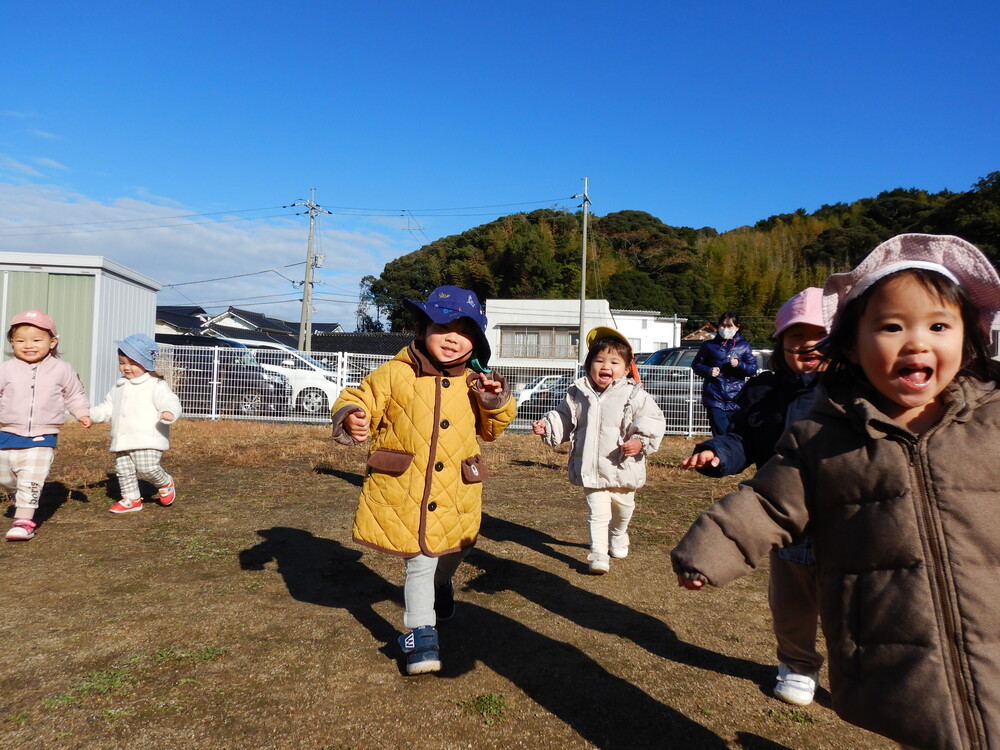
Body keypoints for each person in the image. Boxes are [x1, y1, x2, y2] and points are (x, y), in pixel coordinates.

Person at [671, 234, 1000, 749]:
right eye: (891, 327)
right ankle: (797, 664)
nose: (917, 342)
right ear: (851, 345)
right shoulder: (824, 430)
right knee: (918, 713)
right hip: (892, 617)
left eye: (938, 326)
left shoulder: (992, 421)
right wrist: (710, 550)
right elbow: (769, 500)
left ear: (969, 338)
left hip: (987, 620)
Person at [330, 286, 516, 676]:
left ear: (477, 342)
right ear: (421, 327)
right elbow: (358, 395)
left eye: (464, 330)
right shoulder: (395, 372)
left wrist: (494, 403)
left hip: (458, 488)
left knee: (457, 546)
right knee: (419, 559)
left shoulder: (475, 381)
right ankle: (421, 633)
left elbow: (492, 430)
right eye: (442, 325)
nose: (452, 337)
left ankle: (443, 582)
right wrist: (352, 414)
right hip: (407, 486)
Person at [680, 288, 827, 706]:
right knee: (792, 603)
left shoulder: (855, 388)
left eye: (819, 333)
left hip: (846, 516)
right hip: (781, 513)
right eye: (795, 335)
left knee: (854, 606)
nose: (807, 343)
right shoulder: (763, 389)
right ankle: (797, 666)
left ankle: (864, 674)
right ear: (781, 341)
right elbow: (742, 438)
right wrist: (717, 452)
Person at [532, 327, 665, 574]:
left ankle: (619, 534)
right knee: (597, 513)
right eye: (599, 360)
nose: (606, 366)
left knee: (624, 509)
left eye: (615, 362)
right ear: (589, 365)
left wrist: (639, 441)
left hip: (623, 467)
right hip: (591, 467)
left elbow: (652, 419)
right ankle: (599, 554)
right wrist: (548, 425)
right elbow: (564, 418)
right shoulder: (578, 392)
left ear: (626, 369)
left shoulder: (635, 394)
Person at [0, 310, 92, 540]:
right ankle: (17, 493)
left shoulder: (62, 369)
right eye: (20, 340)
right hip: (7, 431)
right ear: (12, 342)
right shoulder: (6, 369)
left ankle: (24, 521)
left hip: (43, 435)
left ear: (52, 342)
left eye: (36, 340)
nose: (28, 345)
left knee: (31, 478)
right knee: (5, 476)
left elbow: (74, 394)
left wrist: (81, 413)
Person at [90, 334, 182, 513]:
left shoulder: (155, 384)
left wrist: (169, 412)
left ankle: (164, 482)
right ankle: (131, 498)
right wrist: (90, 415)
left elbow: (170, 401)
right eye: (122, 362)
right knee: (124, 471)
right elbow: (107, 407)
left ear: (146, 363)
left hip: (147, 437)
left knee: (147, 468)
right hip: (123, 439)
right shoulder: (119, 386)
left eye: (132, 363)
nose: (126, 367)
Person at [691, 311, 757, 435]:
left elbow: (753, 368)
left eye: (729, 326)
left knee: (736, 436)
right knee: (720, 436)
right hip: (714, 397)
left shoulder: (744, 346)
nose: (725, 329)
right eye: (723, 325)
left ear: (737, 327)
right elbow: (696, 365)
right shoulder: (708, 345)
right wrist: (709, 371)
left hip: (736, 398)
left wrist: (739, 365)